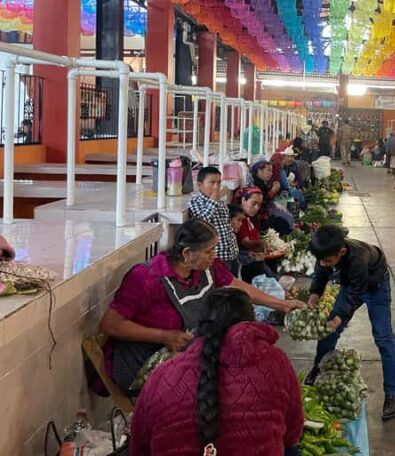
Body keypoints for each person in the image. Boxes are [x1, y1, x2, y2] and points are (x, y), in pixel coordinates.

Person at [99, 220, 305, 393]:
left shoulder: (206, 268)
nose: (214, 255)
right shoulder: (147, 278)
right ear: (187, 253)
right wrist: (164, 336)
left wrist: (282, 304)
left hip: (185, 356)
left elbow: (237, 286)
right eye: (209, 250)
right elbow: (111, 324)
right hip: (142, 364)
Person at [129, 287, 304, 455]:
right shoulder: (275, 361)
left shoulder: (164, 373)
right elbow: (292, 433)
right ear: (251, 321)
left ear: (202, 323)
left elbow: (139, 445)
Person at [305, 225, 395, 422]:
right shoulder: (324, 253)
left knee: (383, 338)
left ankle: (393, 391)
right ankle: (318, 366)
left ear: (341, 251)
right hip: (351, 284)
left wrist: (340, 316)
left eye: (328, 261)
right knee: (329, 331)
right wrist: (313, 296)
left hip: (375, 285)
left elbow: (356, 293)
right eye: (320, 260)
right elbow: (321, 275)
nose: (323, 264)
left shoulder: (358, 258)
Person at [188, 167, 240, 276]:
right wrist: (213, 201)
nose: (216, 186)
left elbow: (226, 224)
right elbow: (201, 222)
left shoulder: (220, 202)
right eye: (212, 182)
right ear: (199, 185)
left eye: (219, 182)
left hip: (231, 252)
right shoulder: (196, 202)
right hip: (216, 256)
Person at [233, 187, 286, 280]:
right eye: (254, 204)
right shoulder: (239, 219)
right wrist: (261, 243)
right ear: (243, 200)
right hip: (247, 261)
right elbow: (245, 243)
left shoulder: (252, 217)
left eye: (259, 204)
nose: (256, 208)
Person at [251, 159, 294, 236]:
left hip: (270, 208)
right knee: (286, 218)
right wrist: (273, 191)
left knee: (288, 208)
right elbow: (262, 202)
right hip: (261, 218)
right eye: (268, 170)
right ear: (259, 171)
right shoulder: (255, 185)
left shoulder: (262, 182)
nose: (271, 173)